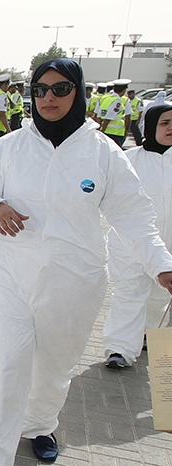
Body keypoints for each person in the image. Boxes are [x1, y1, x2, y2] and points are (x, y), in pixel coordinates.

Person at [0, 58, 172, 465]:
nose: (48, 98)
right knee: (1, 367)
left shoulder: (103, 153)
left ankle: (39, 424)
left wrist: (161, 265)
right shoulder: (10, 147)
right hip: (8, 278)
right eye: (40, 90)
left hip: (74, 281)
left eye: (60, 89)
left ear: (79, 91)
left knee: (54, 367)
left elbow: (134, 218)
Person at [101, 104, 172, 369]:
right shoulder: (129, 159)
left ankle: (148, 334)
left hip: (168, 244)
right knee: (130, 291)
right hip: (129, 242)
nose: (170, 128)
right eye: (164, 123)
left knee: (159, 295)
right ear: (150, 126)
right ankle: (119, 348)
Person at [99, 78, 132, 147]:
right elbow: (109, 117)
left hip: (107, 132)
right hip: (115, 133)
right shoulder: (117, 101)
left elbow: (99, 116)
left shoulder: (107, 99)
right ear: (124, 90)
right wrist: (102, 131)